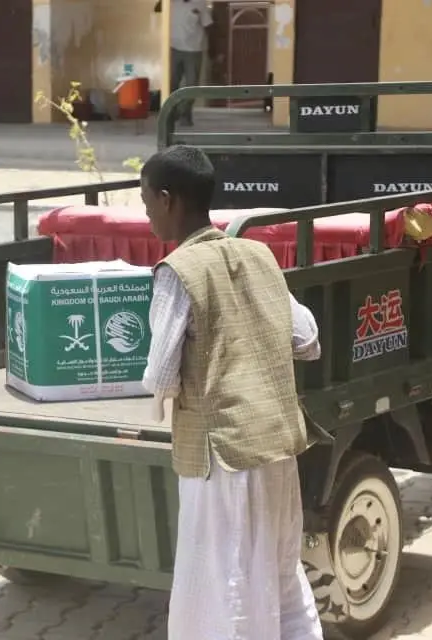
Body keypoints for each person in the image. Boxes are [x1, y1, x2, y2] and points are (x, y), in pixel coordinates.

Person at [139, 145, 324, 639]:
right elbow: (307, 339)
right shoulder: (258, 253)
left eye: (146, 203)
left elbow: (159, 379)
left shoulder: (177, 272)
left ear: (168, 199)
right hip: (278, 442)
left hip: (220, 455)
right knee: (281, 574)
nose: (147, 215)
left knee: (224, 584)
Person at [154, 0, 214, 126]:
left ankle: (184, 113)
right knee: (171, 84)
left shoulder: (200, 3)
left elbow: (208, 26)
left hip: (193, 50)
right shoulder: (170, 2)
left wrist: (214, 49)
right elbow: (157, 8)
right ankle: (172, 113)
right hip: (173, 49)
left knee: (192, 86)